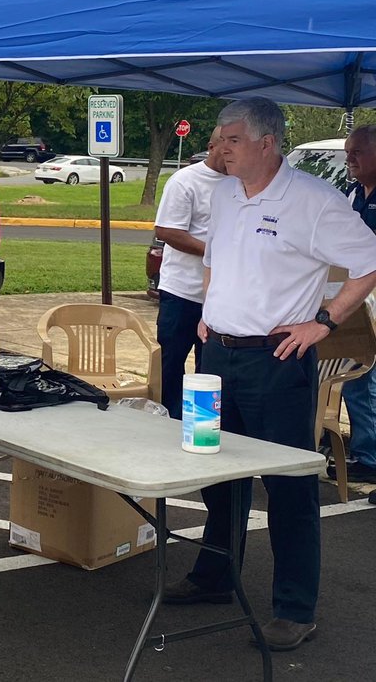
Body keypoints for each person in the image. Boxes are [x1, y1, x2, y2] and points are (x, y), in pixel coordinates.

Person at [163, 98, 376, 652]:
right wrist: (210, 312)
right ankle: (214, 576)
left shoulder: (314, 201)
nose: (219, 148)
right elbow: (214, 257)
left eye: (230, 139)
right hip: (218, 358)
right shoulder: (225, 193)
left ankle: (294, 608)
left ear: (267, 142)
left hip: (276, 362)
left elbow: (370, 259)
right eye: (217, 139)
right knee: (215, 470)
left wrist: (324, 323)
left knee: (287, 485)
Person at [153, 127, 227, 416]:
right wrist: (212, 252)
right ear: (211, 146)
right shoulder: (186, 181)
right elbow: (167, 230)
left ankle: (203, 423)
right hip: (181, 292)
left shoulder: (241, 183)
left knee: (209, 370)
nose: (231, 152)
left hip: (220, 298)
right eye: (227, 144)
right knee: (171, 365)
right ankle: (168, 421)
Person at [338, 125, 376, 485]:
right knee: (357, 375)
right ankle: (365, 451)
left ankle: (370, 453)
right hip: (356, 300)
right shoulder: (352, 194)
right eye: (348, 153)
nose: (349, 160)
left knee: (369, 377)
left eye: (358, 153)